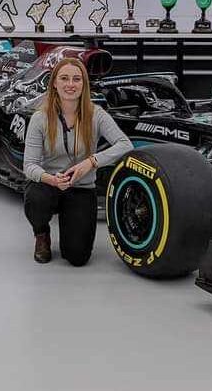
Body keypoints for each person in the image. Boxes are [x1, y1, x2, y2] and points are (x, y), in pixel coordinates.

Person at [22, 57, 133, 265]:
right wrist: (52, 180)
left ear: (84, 84)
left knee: (78, 258)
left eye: (76, 79)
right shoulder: (41, 117)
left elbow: (125, 144)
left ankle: (71, 221)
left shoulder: (96, 114)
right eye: (64, 78)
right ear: (54, 83)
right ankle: (41, 233)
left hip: (82, 187)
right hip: (49, 184)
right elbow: (29, 166)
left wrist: (91, 162)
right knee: (35, 198)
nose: (70, 85)